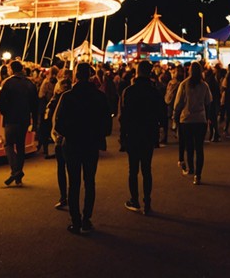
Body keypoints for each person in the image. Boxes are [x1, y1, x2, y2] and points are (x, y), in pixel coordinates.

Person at [53, 62, 112, 234]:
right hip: (91, 143)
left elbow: (59, 123)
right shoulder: (99, 97)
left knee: (74, 183)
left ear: (76, 76)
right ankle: (87, 218)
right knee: (89, 181)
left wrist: (70, 133)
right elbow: (106, 122)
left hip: (72, 143)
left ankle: (76, 220)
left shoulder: (68, 96)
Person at [120, 60, 164, 213]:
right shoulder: (154, 92)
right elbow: (161, 114)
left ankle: (135, 200)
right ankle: (147, 202)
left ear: (137, 72)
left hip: (133, 133)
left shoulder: (129, 91)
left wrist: (122, 137)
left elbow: (124, 116)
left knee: (133, 170)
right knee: (146, 169)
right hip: (148, 133)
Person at [0, 60, 39, 186]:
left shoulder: (8, 83)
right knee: (20, 146)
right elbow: (35, 105)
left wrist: (5, 113)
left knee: (8, 144)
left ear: (11, 69)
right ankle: (18, 176)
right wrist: (35, 121)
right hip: (24, 119)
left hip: (11, 118)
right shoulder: (30, 84)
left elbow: (1, 102)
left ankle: (15, 170)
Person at [174, 61, 212, 185]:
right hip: (200, 119)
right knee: (199, 148)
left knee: (189, 146)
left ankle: (191, 168)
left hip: (186, 119)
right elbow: (208, 102)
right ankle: (198, 175)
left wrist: (175, 115)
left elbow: (178, 103)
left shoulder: (184, 84)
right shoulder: (204, 85)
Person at [45, 76, 72, 210]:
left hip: (60, 138)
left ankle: (63, 197)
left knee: (61, 168)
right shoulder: (73, 98)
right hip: (72, 137)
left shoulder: (56, 100)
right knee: (72, 169)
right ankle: (70, 197)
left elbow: (48, 117)